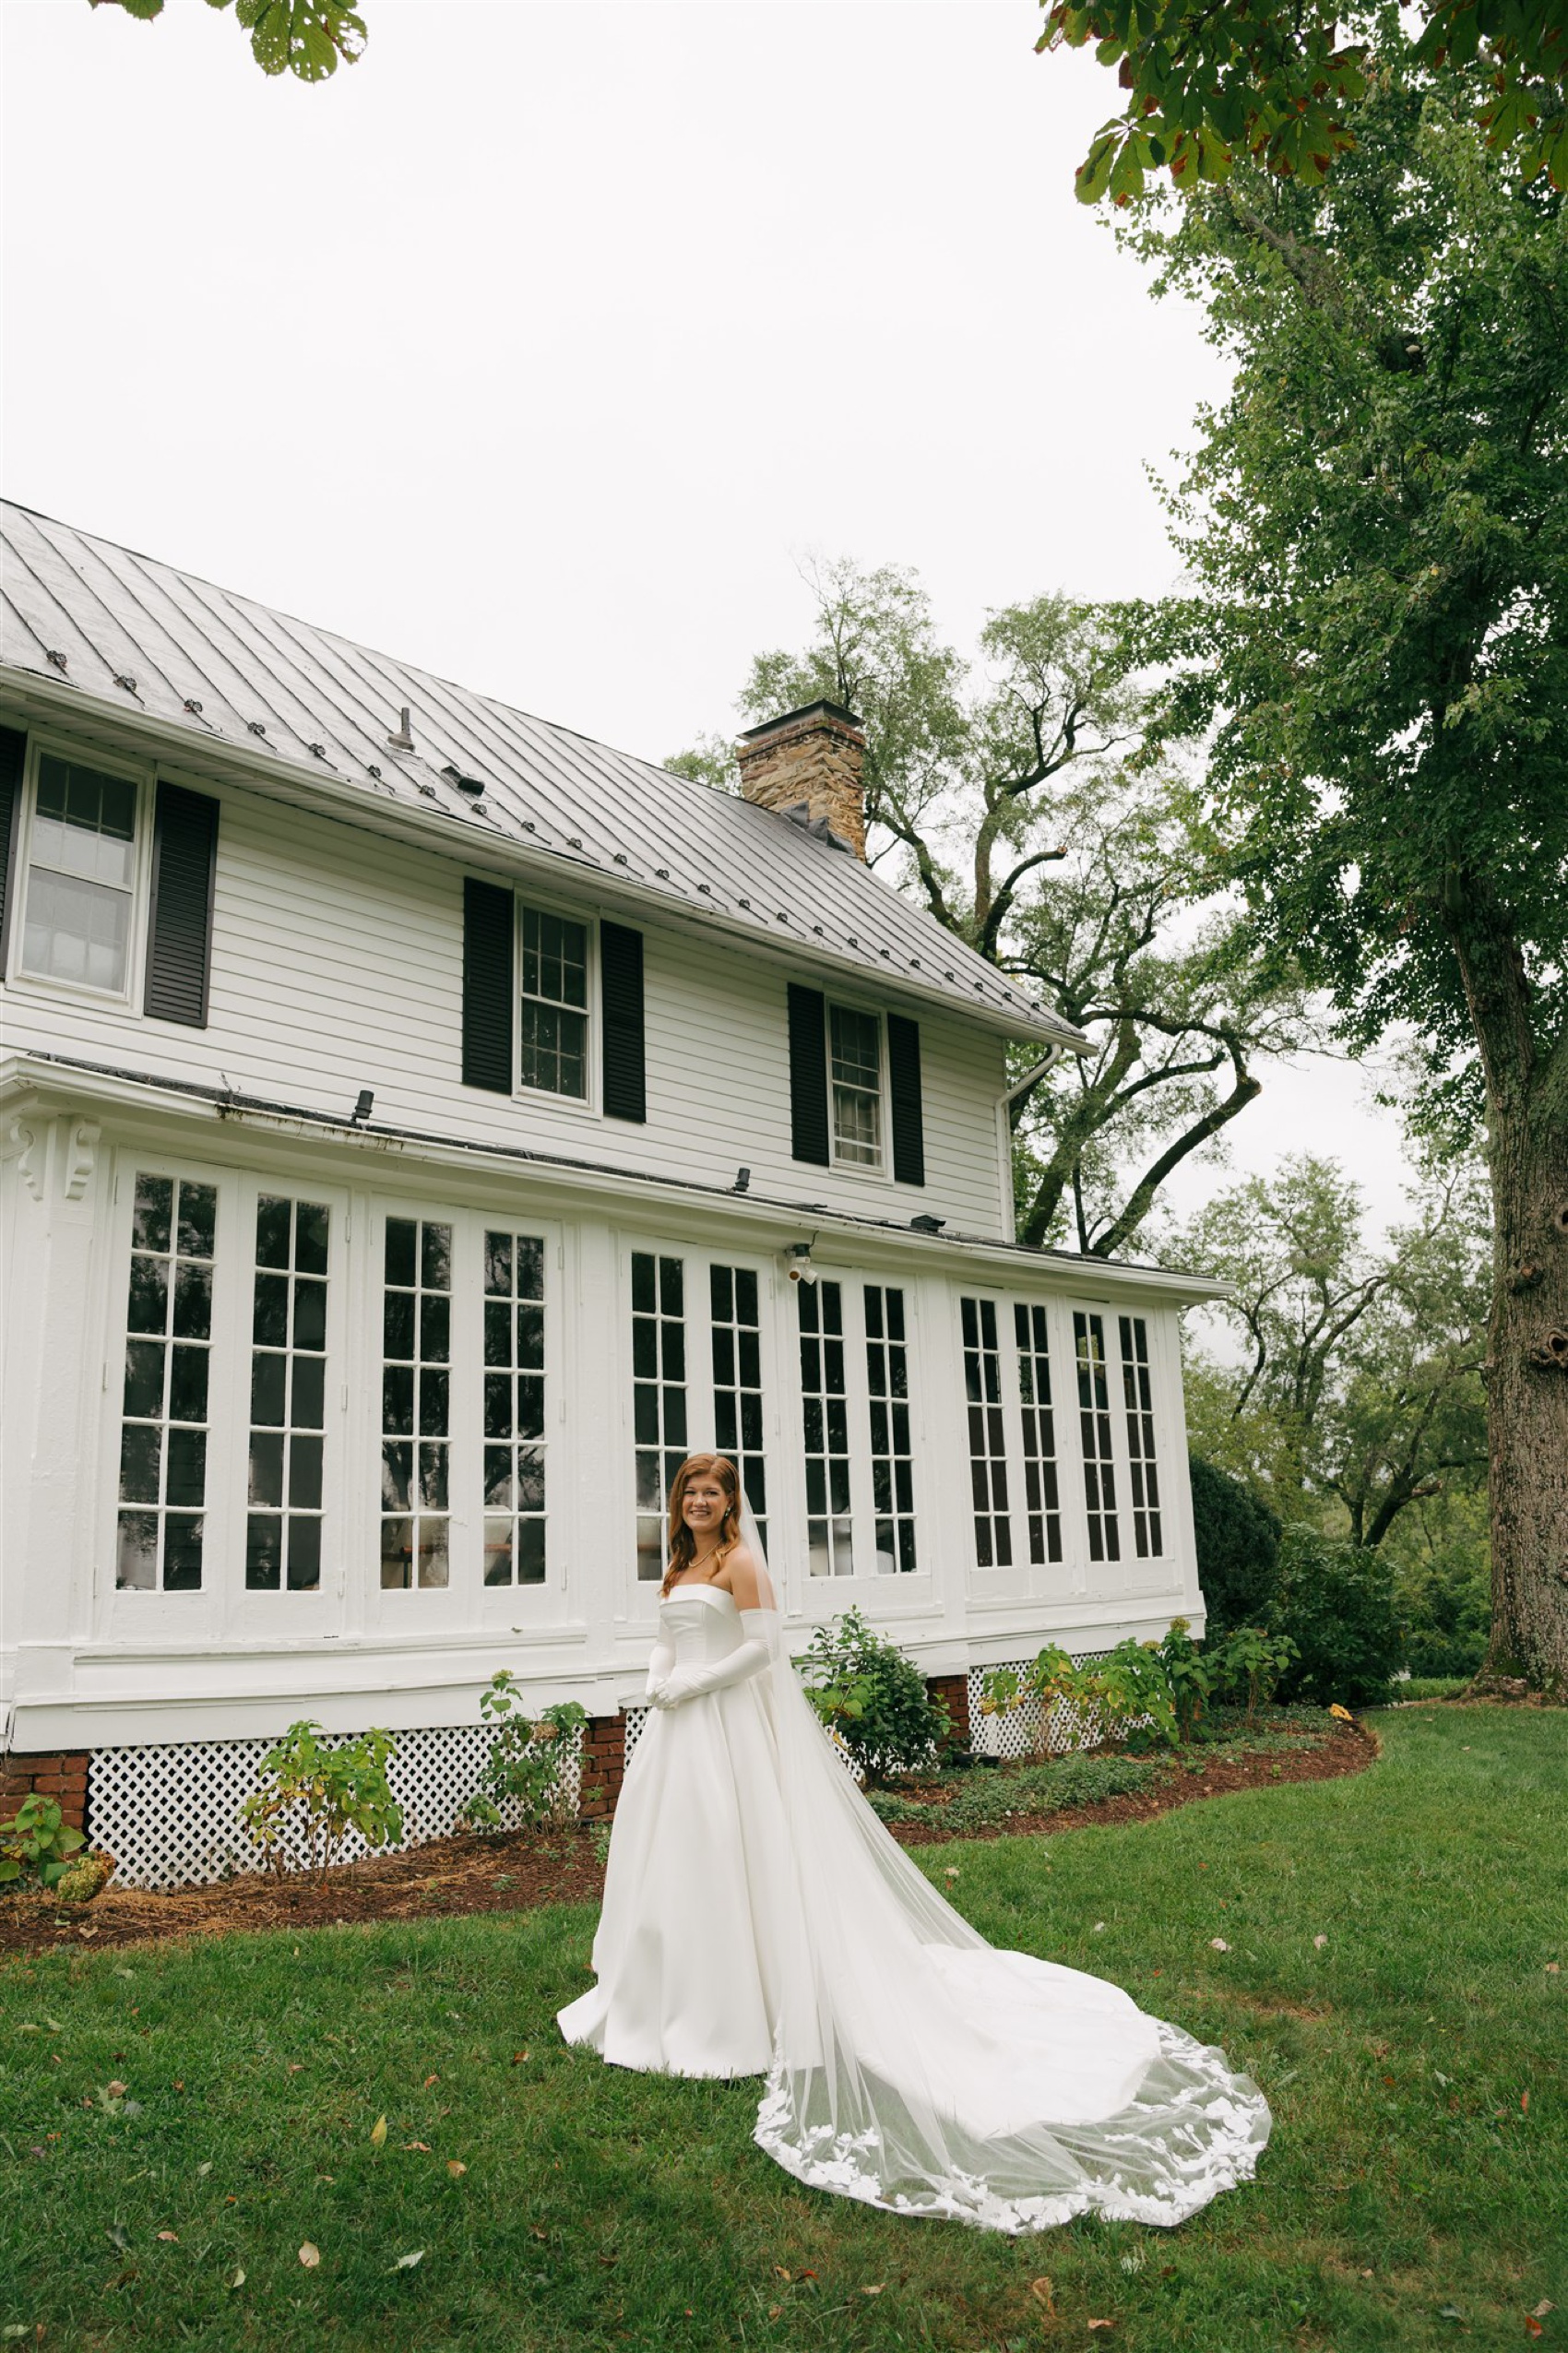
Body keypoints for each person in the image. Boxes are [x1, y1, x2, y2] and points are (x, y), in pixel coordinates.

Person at [558, 1454, 1271, 2232]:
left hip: (725, 1723)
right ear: (679, 1502)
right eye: (689, 1491)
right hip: (676, 1732)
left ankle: (736, 2005)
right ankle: (661, 1992)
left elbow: (765, 1650)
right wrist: (658, 1674)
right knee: (672, 1859)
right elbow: (670, 1630)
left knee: (730, 1855)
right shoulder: (680, 1562)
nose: (699, 1500)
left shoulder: (744, 1562)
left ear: (731, 1501)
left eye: (712, 1491)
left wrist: (695, 1683)